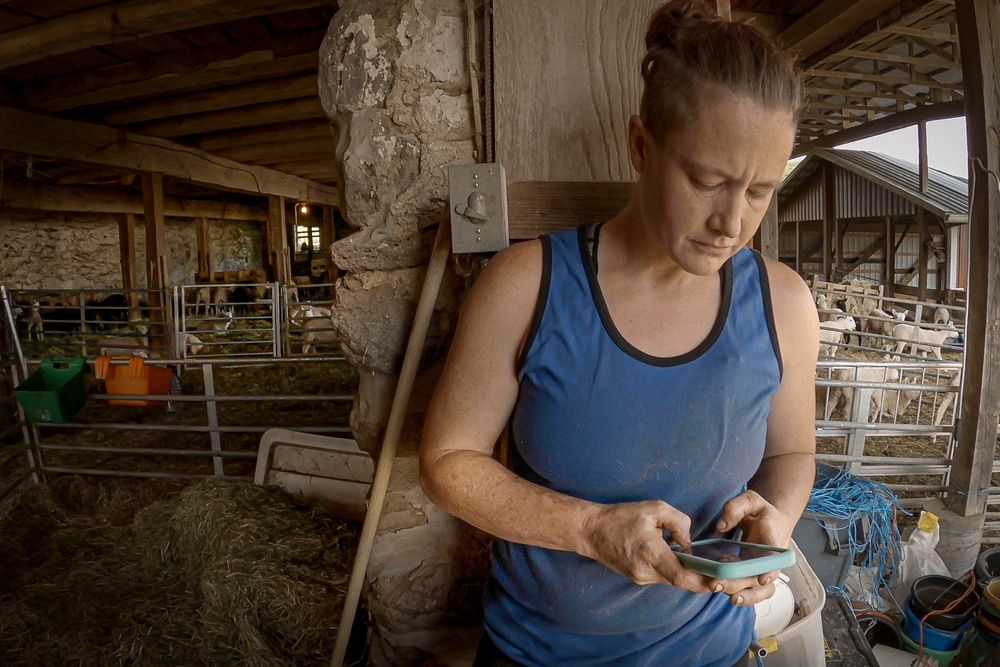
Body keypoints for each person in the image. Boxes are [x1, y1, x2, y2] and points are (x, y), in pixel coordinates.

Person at [419, 1, 819, 665]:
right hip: (537, 654)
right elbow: (446, 464)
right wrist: (590, 527)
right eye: (709, 180)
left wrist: (777, 515)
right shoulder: (528, 285)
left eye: (760, 190)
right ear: (641, 146)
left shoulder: (784, 304)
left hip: (709, 653)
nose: (732, 221)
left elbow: (791, 456)